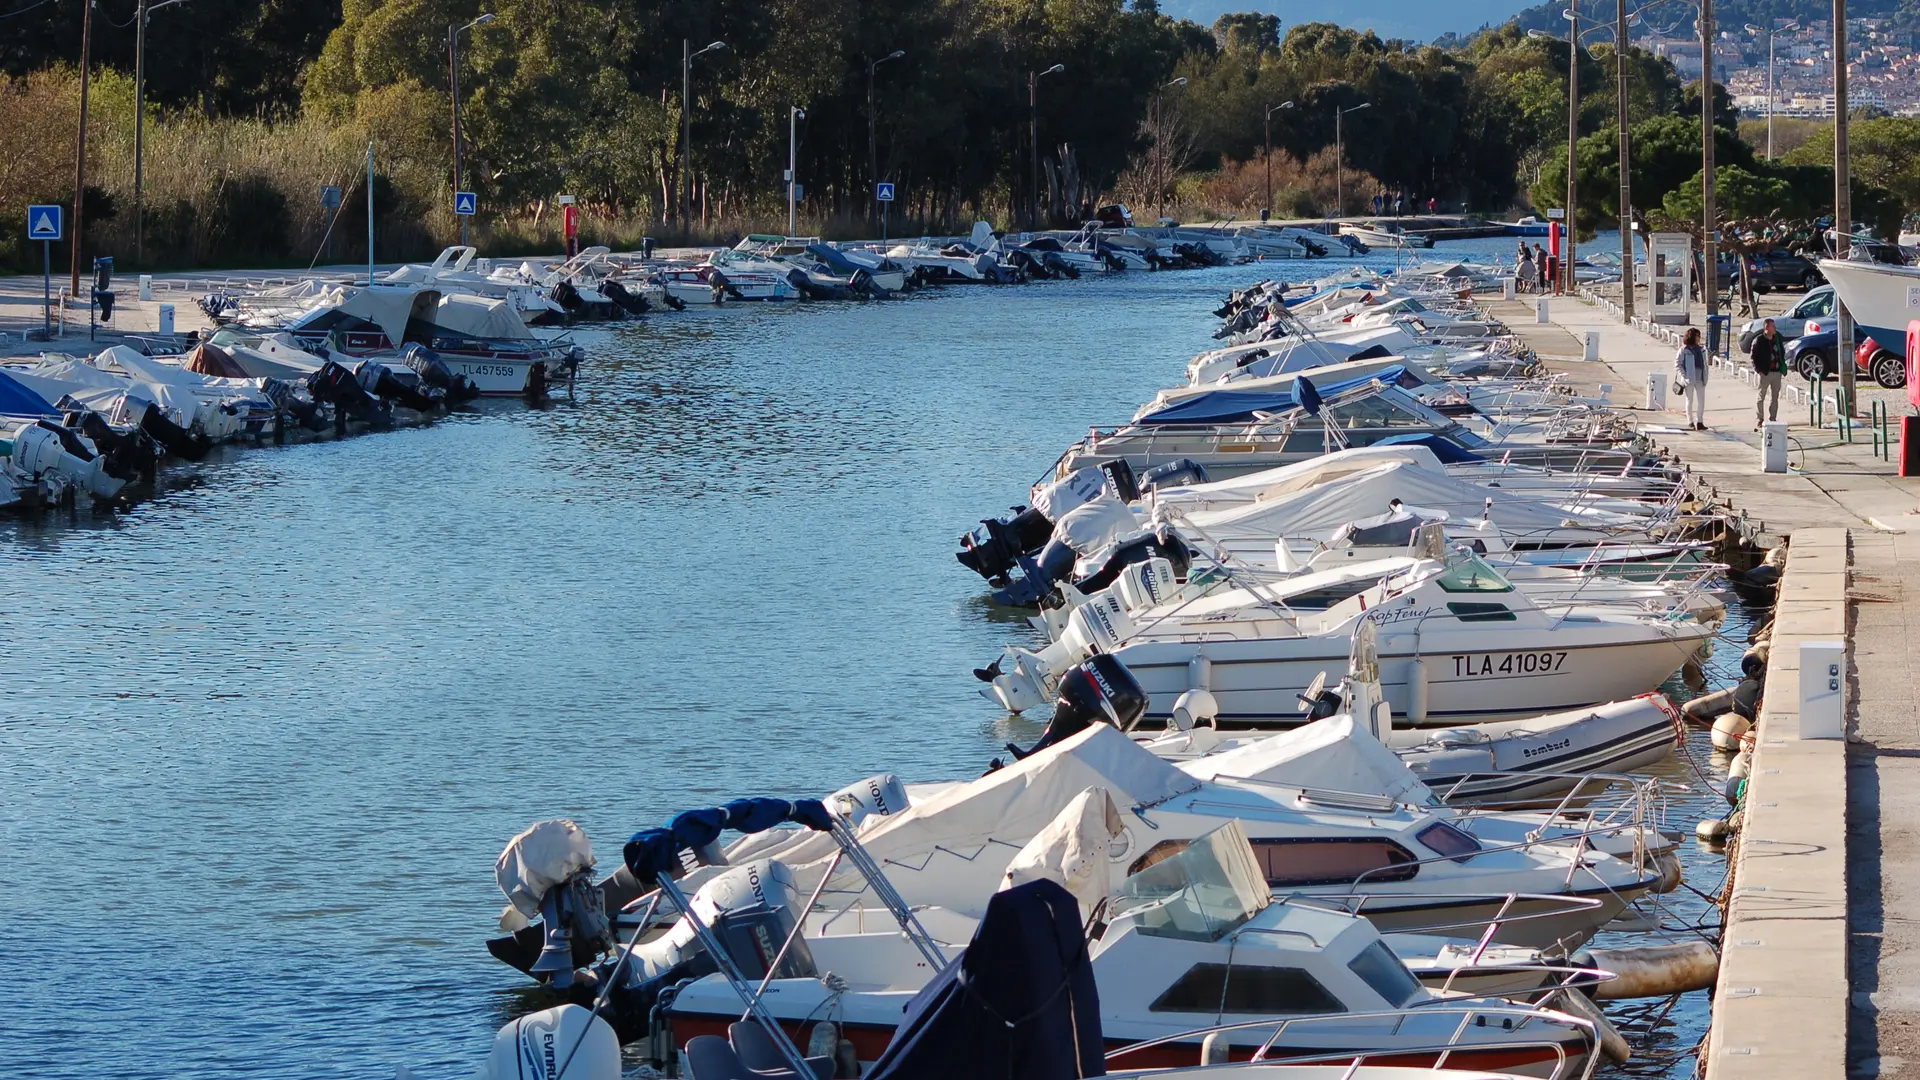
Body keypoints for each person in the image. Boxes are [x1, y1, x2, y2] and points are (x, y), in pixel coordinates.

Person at [1749, 317, 1784, 430]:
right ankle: (1760, 418)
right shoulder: (1759, 340)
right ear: (1766, 327)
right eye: (1773, 326)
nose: (1775, 328)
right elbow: (1753, 356)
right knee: (1761, 396)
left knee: (1775, 397)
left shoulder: (1777, 338)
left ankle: (1773, 417)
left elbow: (1782, 351)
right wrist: (1759, 370)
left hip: (1777, 372)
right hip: (1765, 372)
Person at [1675, 327, 1710, 431]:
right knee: (1689, 400)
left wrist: (1706, 375)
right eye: (1697, 336)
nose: (1699, 338)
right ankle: (1690, 421)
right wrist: (1684, 375)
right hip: (1689, 378)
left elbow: (1705, 363)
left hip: (1700, 377)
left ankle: (1700, 422)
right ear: (1692, 337)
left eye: (1699, 336)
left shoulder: (1702, 349)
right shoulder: (1684, 350)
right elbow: (1677, 364)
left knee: (1701, 401)